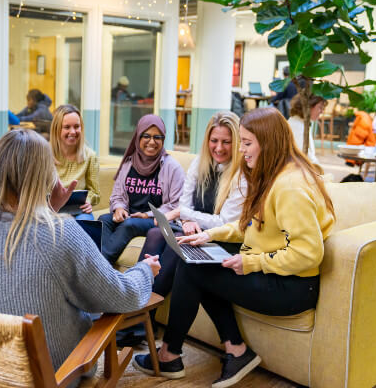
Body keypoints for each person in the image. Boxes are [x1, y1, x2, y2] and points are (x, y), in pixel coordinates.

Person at [133, 107, 335, 387]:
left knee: (193, 270)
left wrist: (251, 262)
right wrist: (209, 235)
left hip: (292, 288)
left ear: (269, 143)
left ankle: (170, 355)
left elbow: (307, 253)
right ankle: (233, 350)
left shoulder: (289, 187)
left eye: (247, 143)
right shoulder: (275, 175)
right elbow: (250, 226)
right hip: (278, 276)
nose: (242, 151)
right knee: (197, 263)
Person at [0, 129, 160, 385]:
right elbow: (121, 296)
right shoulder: (60, 232)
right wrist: (145, 271)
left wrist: (47, 209)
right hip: (52, 372)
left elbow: (15, 254)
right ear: (45, 176)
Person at [138, 111, 245, 305]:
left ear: (237, 142)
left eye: (226, 142)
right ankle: (134, 305)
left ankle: (140, 317)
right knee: (155, 234)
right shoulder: (200, 161)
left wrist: (184, 214)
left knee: (176, 246)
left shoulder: (241, 174)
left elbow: (225, 223)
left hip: (220, 237)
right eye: (214, 140)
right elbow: (184, 202)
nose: (219, 148)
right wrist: (186, 219)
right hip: (194, 229)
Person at [98, 114, 185, 264]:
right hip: (129, 216)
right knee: (103, 220)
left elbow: (176, 205)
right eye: (146, 136)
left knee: (130, 225)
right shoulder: (128, 164)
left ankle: (99, 266)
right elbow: (117, 195)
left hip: (155, 220)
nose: (152, 141)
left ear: (163, 140)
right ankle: (106, 268)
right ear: (138, 137)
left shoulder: (172, 167)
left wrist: (147, 215)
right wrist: (119, 209)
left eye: (157, 137)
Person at [50, 104, 100, 220]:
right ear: (56, 129)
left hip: (79, 210)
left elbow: (95, 192)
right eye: (67, 127)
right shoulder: (44, 155)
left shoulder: (90, 156)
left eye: (76, 126)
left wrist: (88, 201)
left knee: (85, 224)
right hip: (50, 211)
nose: (73, 132)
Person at [287, 94, 326, 166]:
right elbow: (305, 157)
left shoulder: (299, 122)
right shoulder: (297, 127)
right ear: (309, 106)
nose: (322, 111)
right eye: (320, 108)